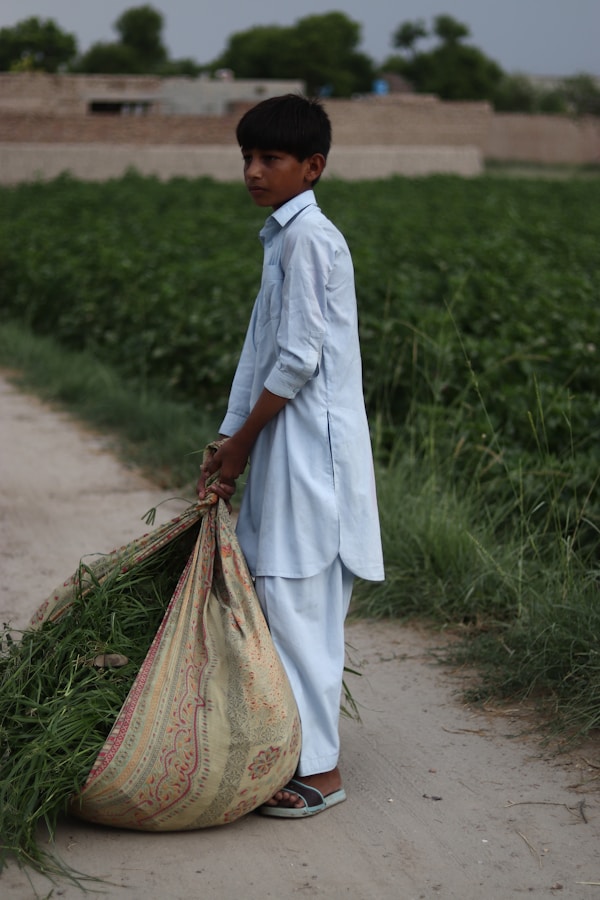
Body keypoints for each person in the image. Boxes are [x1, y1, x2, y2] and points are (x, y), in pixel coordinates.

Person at [198, 93, 384, 817]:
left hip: (313, 462)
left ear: (313, 168)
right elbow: (260, 356)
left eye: (269, 158)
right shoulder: (282, 237)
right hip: (284, 452)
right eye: (246, 157)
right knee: (278, 597)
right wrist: (228, 440)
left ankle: (322, 773)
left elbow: (299, 359)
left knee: (301, 608)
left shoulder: (310, 239)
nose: (252, 171)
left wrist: (241, 443)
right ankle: (291, 755)